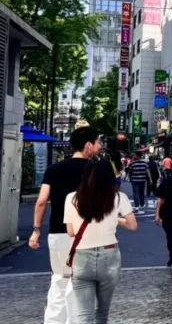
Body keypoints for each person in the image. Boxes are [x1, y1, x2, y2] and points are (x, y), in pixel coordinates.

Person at [29, 126, 102, 324]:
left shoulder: (54, 170)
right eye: (97, 142)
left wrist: (36, 230)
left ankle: (53, 321)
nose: (99, 146)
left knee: (60, 278)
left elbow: (41, 201)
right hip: (88, 235)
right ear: (88, 145)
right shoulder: (96, 171)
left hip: (58, 233)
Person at [64, 159, 137, 324]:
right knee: (102, 313)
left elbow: (71, 232)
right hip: (109, 255)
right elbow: (132, 225)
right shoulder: (119, 197)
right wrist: (115, 219)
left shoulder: (72, 198)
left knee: (84, 315)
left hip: (82, 257)